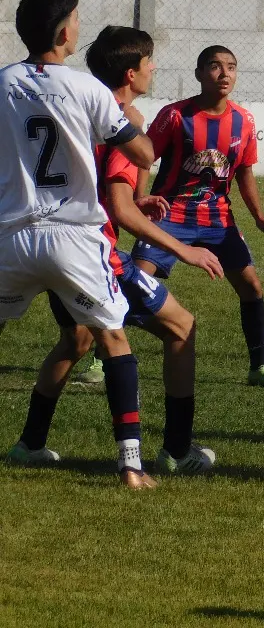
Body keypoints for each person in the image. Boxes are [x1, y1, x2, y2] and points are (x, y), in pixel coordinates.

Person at [11, 26, 224, 476]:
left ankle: (30, 443)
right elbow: (124, 212)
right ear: (131, 73)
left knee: (76, 339)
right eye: (149, 63)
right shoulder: (122, 120)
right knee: (182, 326)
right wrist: (182, 249)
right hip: (90, 250)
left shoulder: (63, 100)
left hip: (35, 237)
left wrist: (123, 199)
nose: (154, 70)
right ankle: (177, 450)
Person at [0, 0, 157, 487]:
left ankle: (31, 442)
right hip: (72, 237)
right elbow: (142, 156)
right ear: (65, 32)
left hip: (13, 237)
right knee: (112, 338)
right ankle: (131, 466)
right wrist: (132, 126)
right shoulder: (89, 88)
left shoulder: (2, 83)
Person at [131, 45, 264, 388]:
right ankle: (103, 360)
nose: (224, 74)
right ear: (200, 74)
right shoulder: (175, 115)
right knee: (133, 284)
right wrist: (141, 197)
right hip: (169, 214)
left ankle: (259, 366)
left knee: (252, 287)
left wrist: (260, 218)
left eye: (231, 67)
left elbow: (245, 172)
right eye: (215, 67)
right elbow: (144, 156)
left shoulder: (243, 120)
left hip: (218, 220)